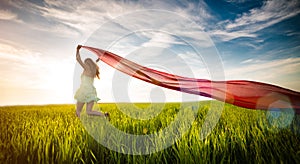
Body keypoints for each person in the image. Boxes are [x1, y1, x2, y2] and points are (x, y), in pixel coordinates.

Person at [74, 45, 109, 118]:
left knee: (78, 111)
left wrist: (77, 49)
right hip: (91, 92)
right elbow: (95, 64)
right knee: (89, 111)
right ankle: (104, 115)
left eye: (85, 62)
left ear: (87, 64)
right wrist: (98, 60)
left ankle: (80, 126)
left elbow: (78, 58)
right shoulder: (93, 71)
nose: (84, 63)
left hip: (84, 91)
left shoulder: (86, 69)